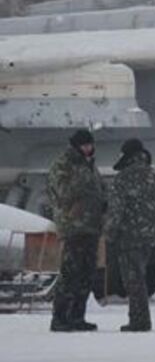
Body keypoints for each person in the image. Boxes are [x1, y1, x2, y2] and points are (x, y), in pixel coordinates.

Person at [105, 138, 155, 332]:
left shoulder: (123, 178)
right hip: (150, 237)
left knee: (134, 280)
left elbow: (116, 211)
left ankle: (139, 321)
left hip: (129, 237)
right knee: (141, 278)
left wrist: (109, 235)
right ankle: (140, 319)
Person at [47, 129, 106, 332]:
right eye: (85, 145)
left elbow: (99, 190)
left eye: (90, 144)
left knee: (86, 273)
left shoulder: (90, 166)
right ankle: (60, 317)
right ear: (77, 146)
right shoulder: (64, 164)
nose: (89, 148)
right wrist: (84, 183)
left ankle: (77, 316)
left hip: (91, 227)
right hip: (73, 226)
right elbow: (62, 192)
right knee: (70, 273)